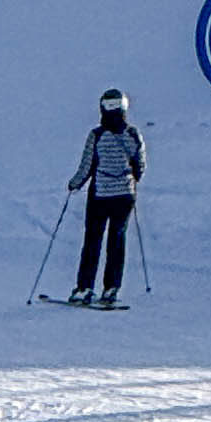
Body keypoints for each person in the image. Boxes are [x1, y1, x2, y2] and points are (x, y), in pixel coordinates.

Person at [65, 91, 143, 307]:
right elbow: (140, 165)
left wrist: (75, 183)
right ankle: (111, 288)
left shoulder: (97, 135)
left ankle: (84, 287)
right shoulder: (133, 134)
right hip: (125, 195)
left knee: (93, 240)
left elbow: (87, 166)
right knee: (117, 240)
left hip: (100, 194)